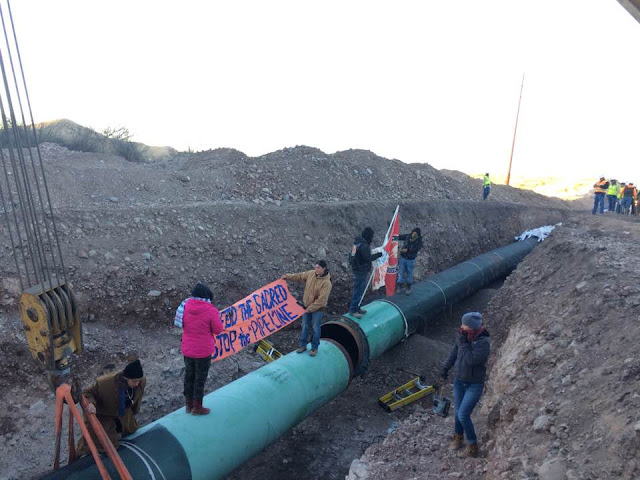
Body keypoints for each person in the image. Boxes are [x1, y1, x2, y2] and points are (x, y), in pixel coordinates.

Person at [440, 312, 491, 458]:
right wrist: (445, 368)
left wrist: (464, 344)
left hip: (474, 384)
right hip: (459, 381)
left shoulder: (483, 343)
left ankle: (472, 446)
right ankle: (458, 437)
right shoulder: (462, 336)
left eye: (465, 324)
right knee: (457, 412)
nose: (461, 326)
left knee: (463, 414)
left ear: (473, 327)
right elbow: (454, 353)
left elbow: (470, 360)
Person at [76, 359, 146, 456]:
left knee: (131, 432)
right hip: (104, 414)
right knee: (105, 446)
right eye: (134, 381)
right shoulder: (104, 383)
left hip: (124, 412)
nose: (137, 384)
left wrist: (133, 412)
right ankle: (79, 453)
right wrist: (91, 404)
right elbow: (87, 393)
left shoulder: (140, 382)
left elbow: (137, 399)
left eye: (138, 381)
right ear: (126, 378)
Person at [176, 282, 223, 415]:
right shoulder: (211, 310)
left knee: (189, 376)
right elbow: (218, 330)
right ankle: (197, 407)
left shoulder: (184, 306)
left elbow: (181, 324)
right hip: (203, 351)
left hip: (188, 349)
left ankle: (188, 405)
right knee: (200, 378)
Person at [282, 260, 332, 357]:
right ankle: (302, 345)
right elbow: (299, 276)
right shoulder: (311, 274)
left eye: (318, 268)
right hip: (306, 307)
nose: (316, 269)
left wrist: (309, 309)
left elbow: (322, 301)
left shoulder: (326, 283)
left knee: (316, 328)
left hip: (318, 309)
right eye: (315, 267)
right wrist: (287, 276)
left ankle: (314, 348)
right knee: (305, 326)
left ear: (324, 268)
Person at [348, 227, 382, 319]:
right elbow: (368, 258)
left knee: (359, 290)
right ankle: (353, 310)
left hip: (356, 269)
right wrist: (378, 255)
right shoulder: (364, 246)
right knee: (359, 290)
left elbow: (352, 256)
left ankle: (357, 307)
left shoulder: (356, 243)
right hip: (361, 270)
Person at [397, 228, 423, 295]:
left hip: (410, 259)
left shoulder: (419, 241)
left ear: (418, 235)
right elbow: (400, 237)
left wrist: (407, 250)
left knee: (409, 273)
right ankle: (399, 286)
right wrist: (394, 236)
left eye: (416, 233)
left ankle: (408, 288)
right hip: (403, 257)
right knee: (401, 272)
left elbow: (416, 249)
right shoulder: (408, 236)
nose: (414, 234)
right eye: (413, 232)